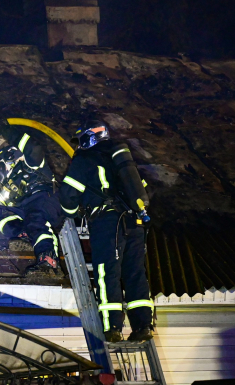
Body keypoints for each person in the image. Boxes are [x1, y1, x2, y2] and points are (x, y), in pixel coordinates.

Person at [58, 119, 154, 342]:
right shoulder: (121, 158)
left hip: (107, 222)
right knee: (135, 272)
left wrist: (74, 213)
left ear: (88, 137)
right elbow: (141, 188)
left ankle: (112, 327)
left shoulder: (84, 159)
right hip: (134, 220)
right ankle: (143, 326)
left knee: (106, 272)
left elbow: (68, 196)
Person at [0, 118, 62, 274]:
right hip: (24, 207)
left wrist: (5, 129)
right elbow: (0, 206)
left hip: (44, 199)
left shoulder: (32, 165)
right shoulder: (10, 185)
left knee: (35, 218)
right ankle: (23, 234)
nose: (1, 172)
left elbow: (33, 147)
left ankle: (48, 261)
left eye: (1, 166)